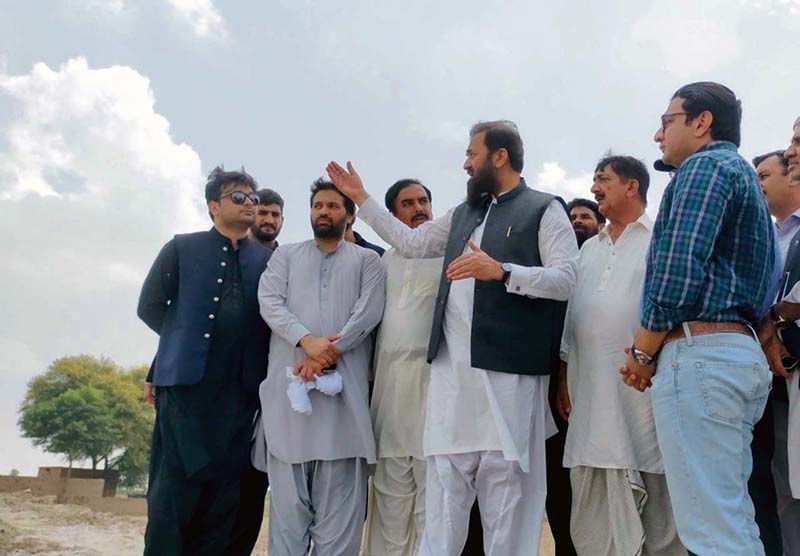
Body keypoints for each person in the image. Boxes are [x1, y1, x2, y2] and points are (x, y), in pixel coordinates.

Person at [327, 119, 578, 556]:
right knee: (443, 499)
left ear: (499, 157)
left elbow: (567, 278)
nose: (465, 163)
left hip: (508, 378)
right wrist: (361, 199)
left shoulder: (543, 208)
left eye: (471, 154)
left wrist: (502, 272)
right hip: (450, 379)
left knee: (508, 501)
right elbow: (411, 242)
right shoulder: (463, 213)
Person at [620, 82, 778, 556]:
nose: (657, 135)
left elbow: (677, 267)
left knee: (713, 532)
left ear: (701, 121)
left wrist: (643, 352)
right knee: (730, 520)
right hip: (734, 352)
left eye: (667, 121)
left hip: (702, 354)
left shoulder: (705, 167)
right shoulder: (741, 175)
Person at [137, 167, 271, 556]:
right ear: (213, 205)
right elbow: (149, 307)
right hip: (184, 391)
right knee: (171, 496)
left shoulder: (267, 261)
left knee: (223, 501)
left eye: (253, 197)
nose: (249, 204)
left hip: (240, 395)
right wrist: (183, 338)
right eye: (238, 197)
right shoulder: (181, 248)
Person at [558, 155, 683, 556]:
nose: (595, 188)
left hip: (643, 392)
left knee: (657, 495)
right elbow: (570, 320)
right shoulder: (587, 251)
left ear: (632, 186)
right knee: (592, 499)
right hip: (588, 392)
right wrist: (563, 376)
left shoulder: (661, 237)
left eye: (604, 180)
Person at [257, 178, 385, 555]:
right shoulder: (286, 257)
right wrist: (306, 341)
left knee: (340, 528)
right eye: (317, 206)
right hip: (289, 412)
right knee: (287, 522)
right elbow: (270, 302)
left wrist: (330, 350)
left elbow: (368, 313)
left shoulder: (369, 261)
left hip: (344, 413)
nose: (323, 212)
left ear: (350, 214)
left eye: (332, 206)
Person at [365, 178, 439, 556]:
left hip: (435, 398)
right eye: (408, 203)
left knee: (432, 509)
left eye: (424, 200)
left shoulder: (450, 256)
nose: (419, 208)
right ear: (393, 215)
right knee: (390, 504)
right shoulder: (384, 260)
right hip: (390, 398)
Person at [755, 130, 800, 556]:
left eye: (765, 173)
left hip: (791, 356)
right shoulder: (764, 237)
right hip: (774, 378)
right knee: (783, 483)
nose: (759, 182)